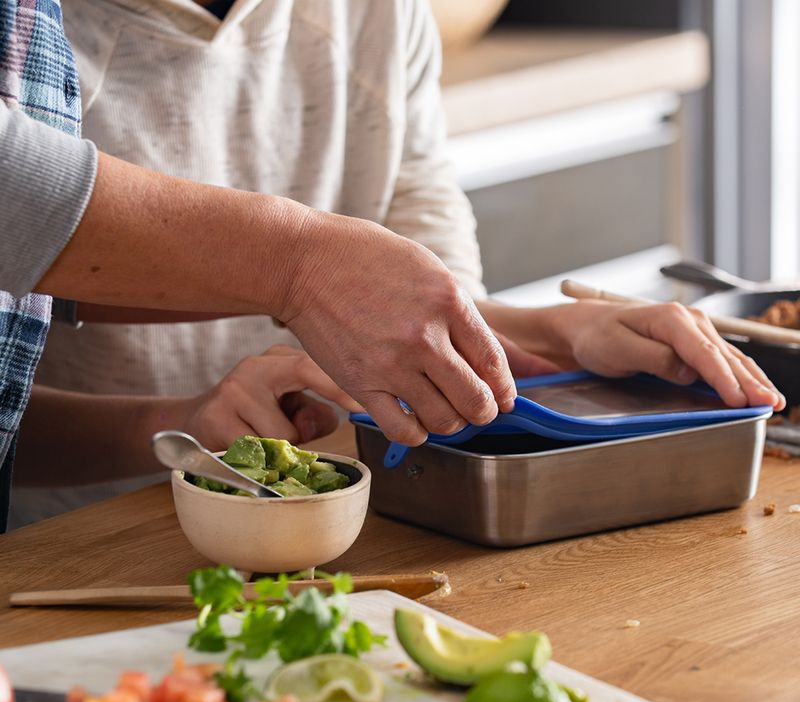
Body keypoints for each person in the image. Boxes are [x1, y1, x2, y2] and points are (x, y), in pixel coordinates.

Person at [8, 0, 782, 527]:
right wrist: (171, 423)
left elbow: (400, 306)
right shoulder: (36, 34)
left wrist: (557, 331)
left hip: (359, 539)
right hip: (80, 552)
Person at [0, 0, 536, 530]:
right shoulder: (43, 29)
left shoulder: (385, 15)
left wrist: (535, 328)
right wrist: (299, 269)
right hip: (73, 535)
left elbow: (417, 240)